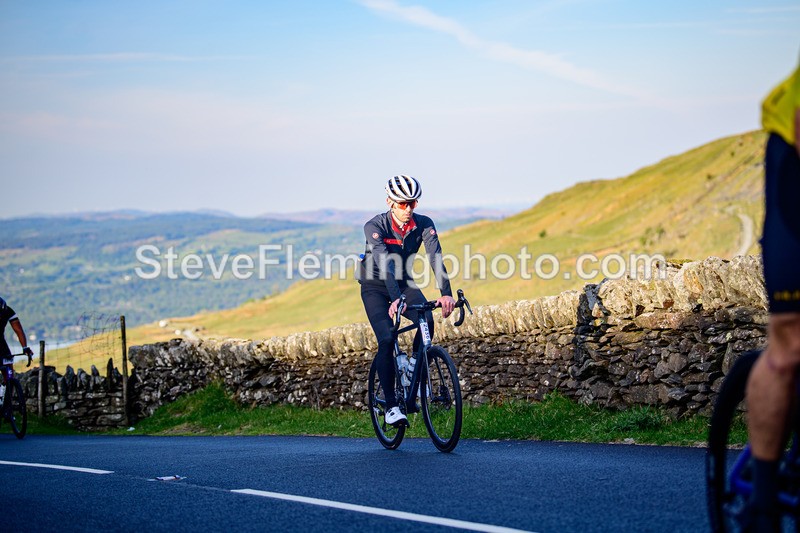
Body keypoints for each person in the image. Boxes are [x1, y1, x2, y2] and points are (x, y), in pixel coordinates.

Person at [745, 59, 800, 531]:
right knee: (790, 344)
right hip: (795, 150)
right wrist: (452, 289)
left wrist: (453, 291)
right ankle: (763, 503)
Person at [357, 175, 456, 427]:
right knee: (388, 339)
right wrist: (395, 299)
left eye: (413, 202)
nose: (408, 208)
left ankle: (413, 368)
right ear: (390, 202)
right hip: (375, 287)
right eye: (403, 204)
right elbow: (385, 264)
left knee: (427, 321)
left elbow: (436, 257)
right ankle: (391, 406)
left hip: (403, 283)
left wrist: (446, 292)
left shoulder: (423, 224)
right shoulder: (374, 226)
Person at [1, 297, 34, 366]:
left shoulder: (8, 311)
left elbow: (19, 330)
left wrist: (25, 347)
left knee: (8, 362)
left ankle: (9, 376)